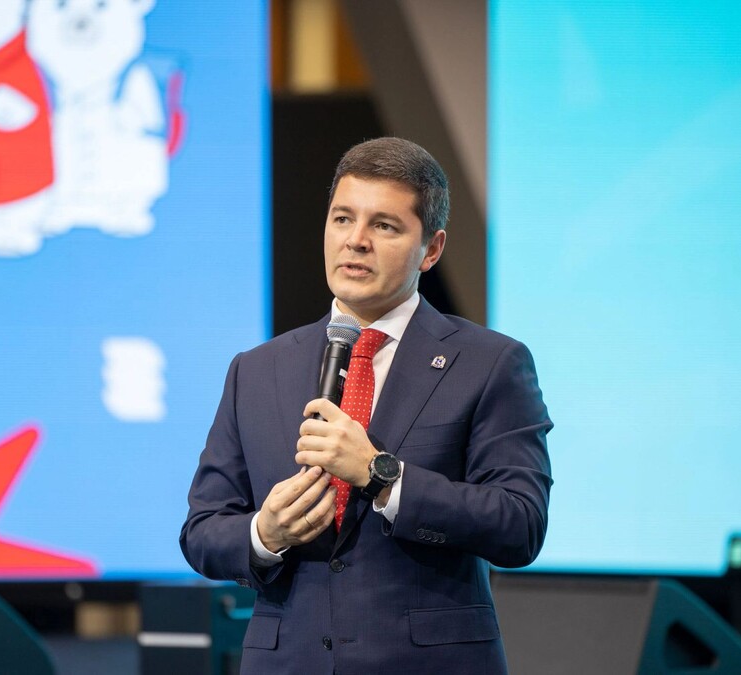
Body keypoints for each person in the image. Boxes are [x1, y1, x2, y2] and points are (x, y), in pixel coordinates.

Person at [179, 137, 553, 674]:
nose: (355, 241)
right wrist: (265, 534)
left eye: (384, 226)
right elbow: (202, 530)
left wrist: (381, 475)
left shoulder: (490, 363)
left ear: (431, 249)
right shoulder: (256, 370)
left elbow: (520, 525)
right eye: (342, 219)